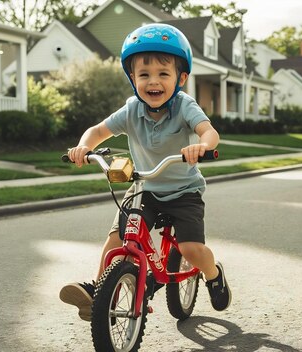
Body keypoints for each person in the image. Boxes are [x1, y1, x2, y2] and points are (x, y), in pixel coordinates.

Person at [59, 23, 231, 321]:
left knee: (191, 249)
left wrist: (201, 146)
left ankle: (213, 274)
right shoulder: (131, 111)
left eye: (164, 74)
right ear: (132, 78)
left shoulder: (184, 107)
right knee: (118, 238)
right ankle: (99, 290)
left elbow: (209, 132)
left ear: (182, 78)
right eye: (144, 75)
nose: (154, 81)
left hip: (183, 191)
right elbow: (97, 131)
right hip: (144, 188)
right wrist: (83, 147)